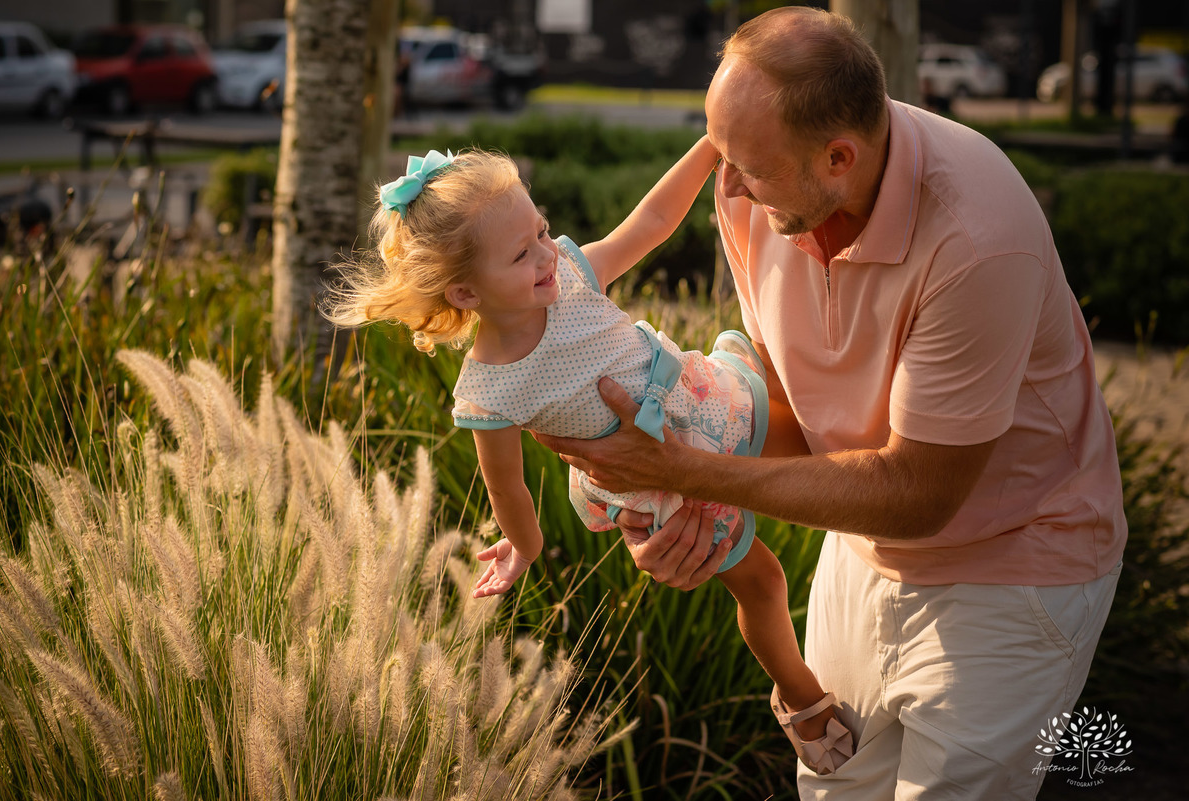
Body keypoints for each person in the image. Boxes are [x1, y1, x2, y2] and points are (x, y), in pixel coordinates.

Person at [535, 7, 1127, 799]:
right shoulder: (759, 192)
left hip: (1015, 566)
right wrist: (672, 490)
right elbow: (789, 406)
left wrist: (689, 470)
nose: (729, 186)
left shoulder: (979, 239)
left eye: (746, 164)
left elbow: (919, 496)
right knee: (834, 789)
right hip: (861, 544)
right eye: (721, 156)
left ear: (838, 158)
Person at [323, 144, 855, 774]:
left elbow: (651, 224)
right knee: (762, 582)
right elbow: (509, 489)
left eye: (542, 231)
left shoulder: (570, 275)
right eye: (522, 254)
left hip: (699, 401)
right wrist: (521, 544)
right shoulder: (488, 391)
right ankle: (801, 699)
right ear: (465, 290)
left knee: (822, 447)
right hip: (655, 485)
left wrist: (710, 148)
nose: (547, 253)